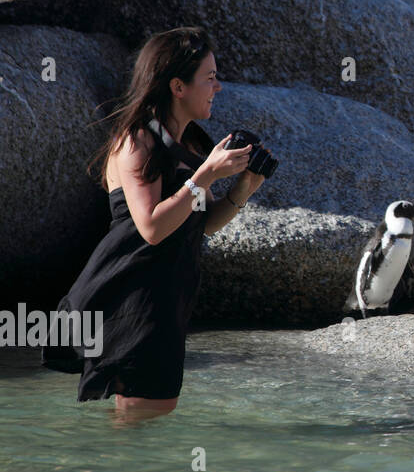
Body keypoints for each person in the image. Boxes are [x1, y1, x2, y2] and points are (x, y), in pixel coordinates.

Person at [42, 27, 269, 420]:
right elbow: (151, 228)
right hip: (134, 300)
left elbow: (204, 223)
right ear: (178, 86)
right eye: (210, 78)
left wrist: (244, 188)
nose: (218, 87)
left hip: (168, 301)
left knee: (147, 425)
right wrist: (206, 176)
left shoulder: (191, 145)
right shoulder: (136, 143)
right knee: (140, 424)